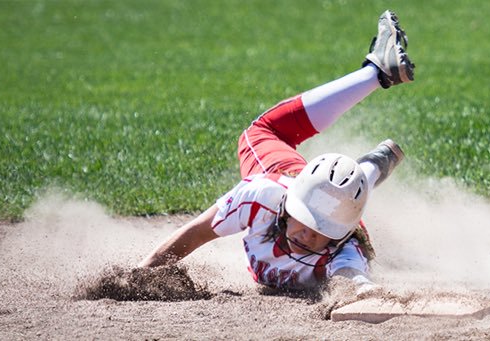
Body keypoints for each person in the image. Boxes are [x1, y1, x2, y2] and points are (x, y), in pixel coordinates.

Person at [138, 10, 415, 297]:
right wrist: (140, 275)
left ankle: (375, 75)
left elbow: (352, 277)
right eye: (305, 219)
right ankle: (377, 157)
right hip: (296, 180)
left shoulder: (345, 245)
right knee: (339, 193)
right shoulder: (263, 196)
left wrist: (363, 288)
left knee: (260, 136)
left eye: (321, 230)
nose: (308, 234)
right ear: (288, 206)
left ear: (340, 235)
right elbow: (198, 231)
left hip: (339, 212)